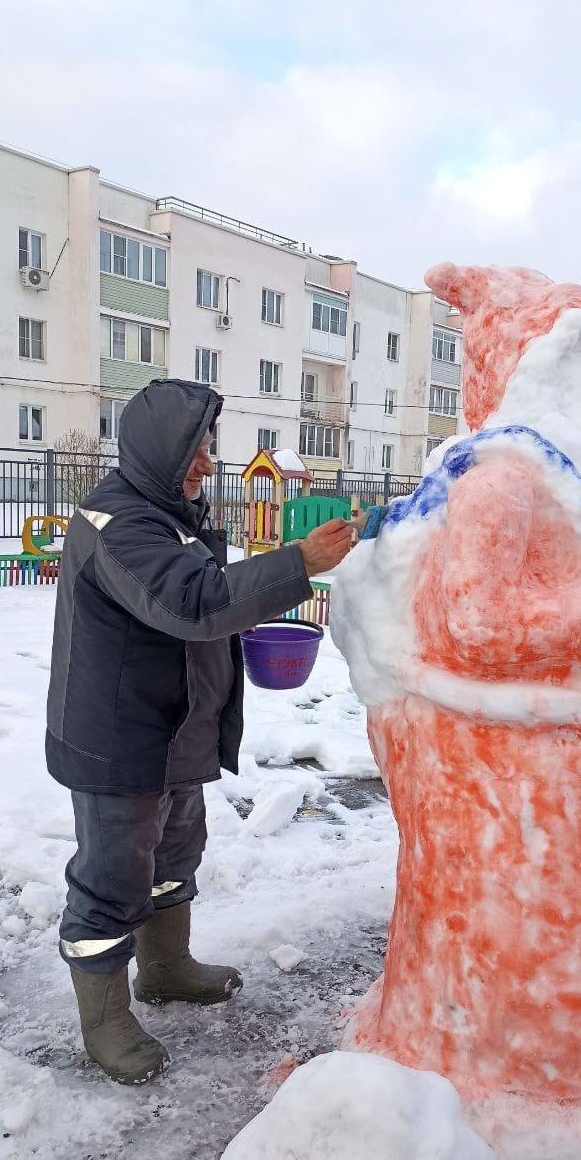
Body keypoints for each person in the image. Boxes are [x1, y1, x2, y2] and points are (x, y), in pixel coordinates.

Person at [45, 379, 352, 1084]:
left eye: (209, 447)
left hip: (173, 729)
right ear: (158, 451)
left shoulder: (167, 515)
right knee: (112, 876)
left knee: (175, 851)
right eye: (196, 450)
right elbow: (192, 603)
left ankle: (165, 967)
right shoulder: (115, 524)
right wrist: (298, 565)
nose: (208, 463)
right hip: (118, 739)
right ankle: (106, 1019)